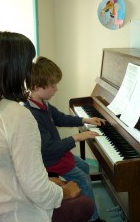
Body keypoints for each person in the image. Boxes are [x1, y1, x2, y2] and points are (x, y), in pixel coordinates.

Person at [0, 31, 94, 222]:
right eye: (28, 64)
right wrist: (64, 192)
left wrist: (46, 181)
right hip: (11, 214)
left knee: (56, 182)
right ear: (16, 69)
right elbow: (38, 192)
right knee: (84, 203)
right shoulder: (20, 115)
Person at [24, 56, 107, 222]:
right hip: (50, 160)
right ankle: (94, 219)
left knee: (83, 166)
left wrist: (84, 120)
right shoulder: (32, 114)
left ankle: (80, 203)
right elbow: (48, 148)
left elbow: (61, 118)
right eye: (53, 86)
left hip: (58, 155)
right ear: (36, 87)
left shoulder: (42, 103)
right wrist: (77, 137)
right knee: (83, 178)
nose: (56, 89)